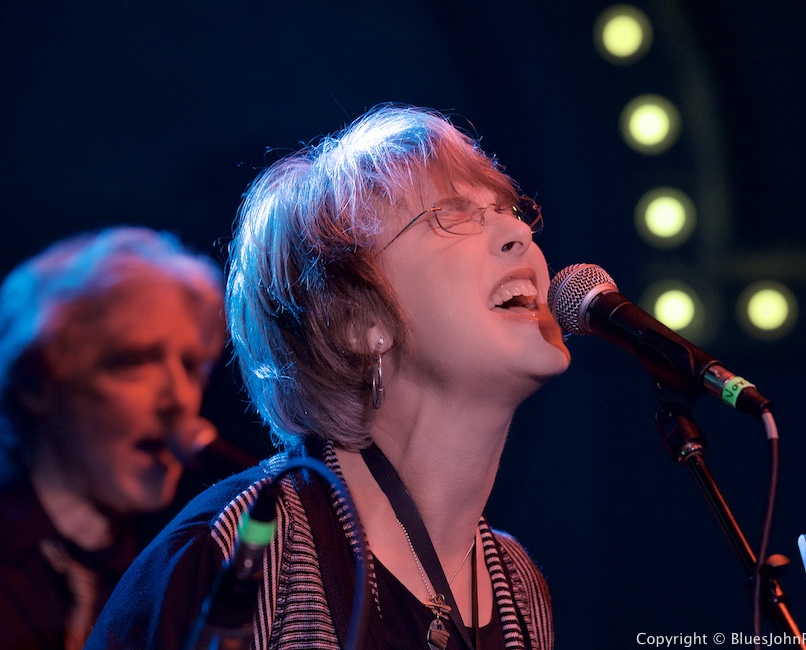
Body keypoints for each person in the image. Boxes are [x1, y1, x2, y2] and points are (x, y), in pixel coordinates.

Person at [86, 104, 571, 649]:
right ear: (358, 321)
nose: (516, 233)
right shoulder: (242, 547)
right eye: (453, 214)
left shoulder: (518, 587)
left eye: (509, 209)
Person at [0, 227, 225, 650]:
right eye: (135, 361)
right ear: (36, 385)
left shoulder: (165, 570)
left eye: (193, 366)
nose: (179, 399)